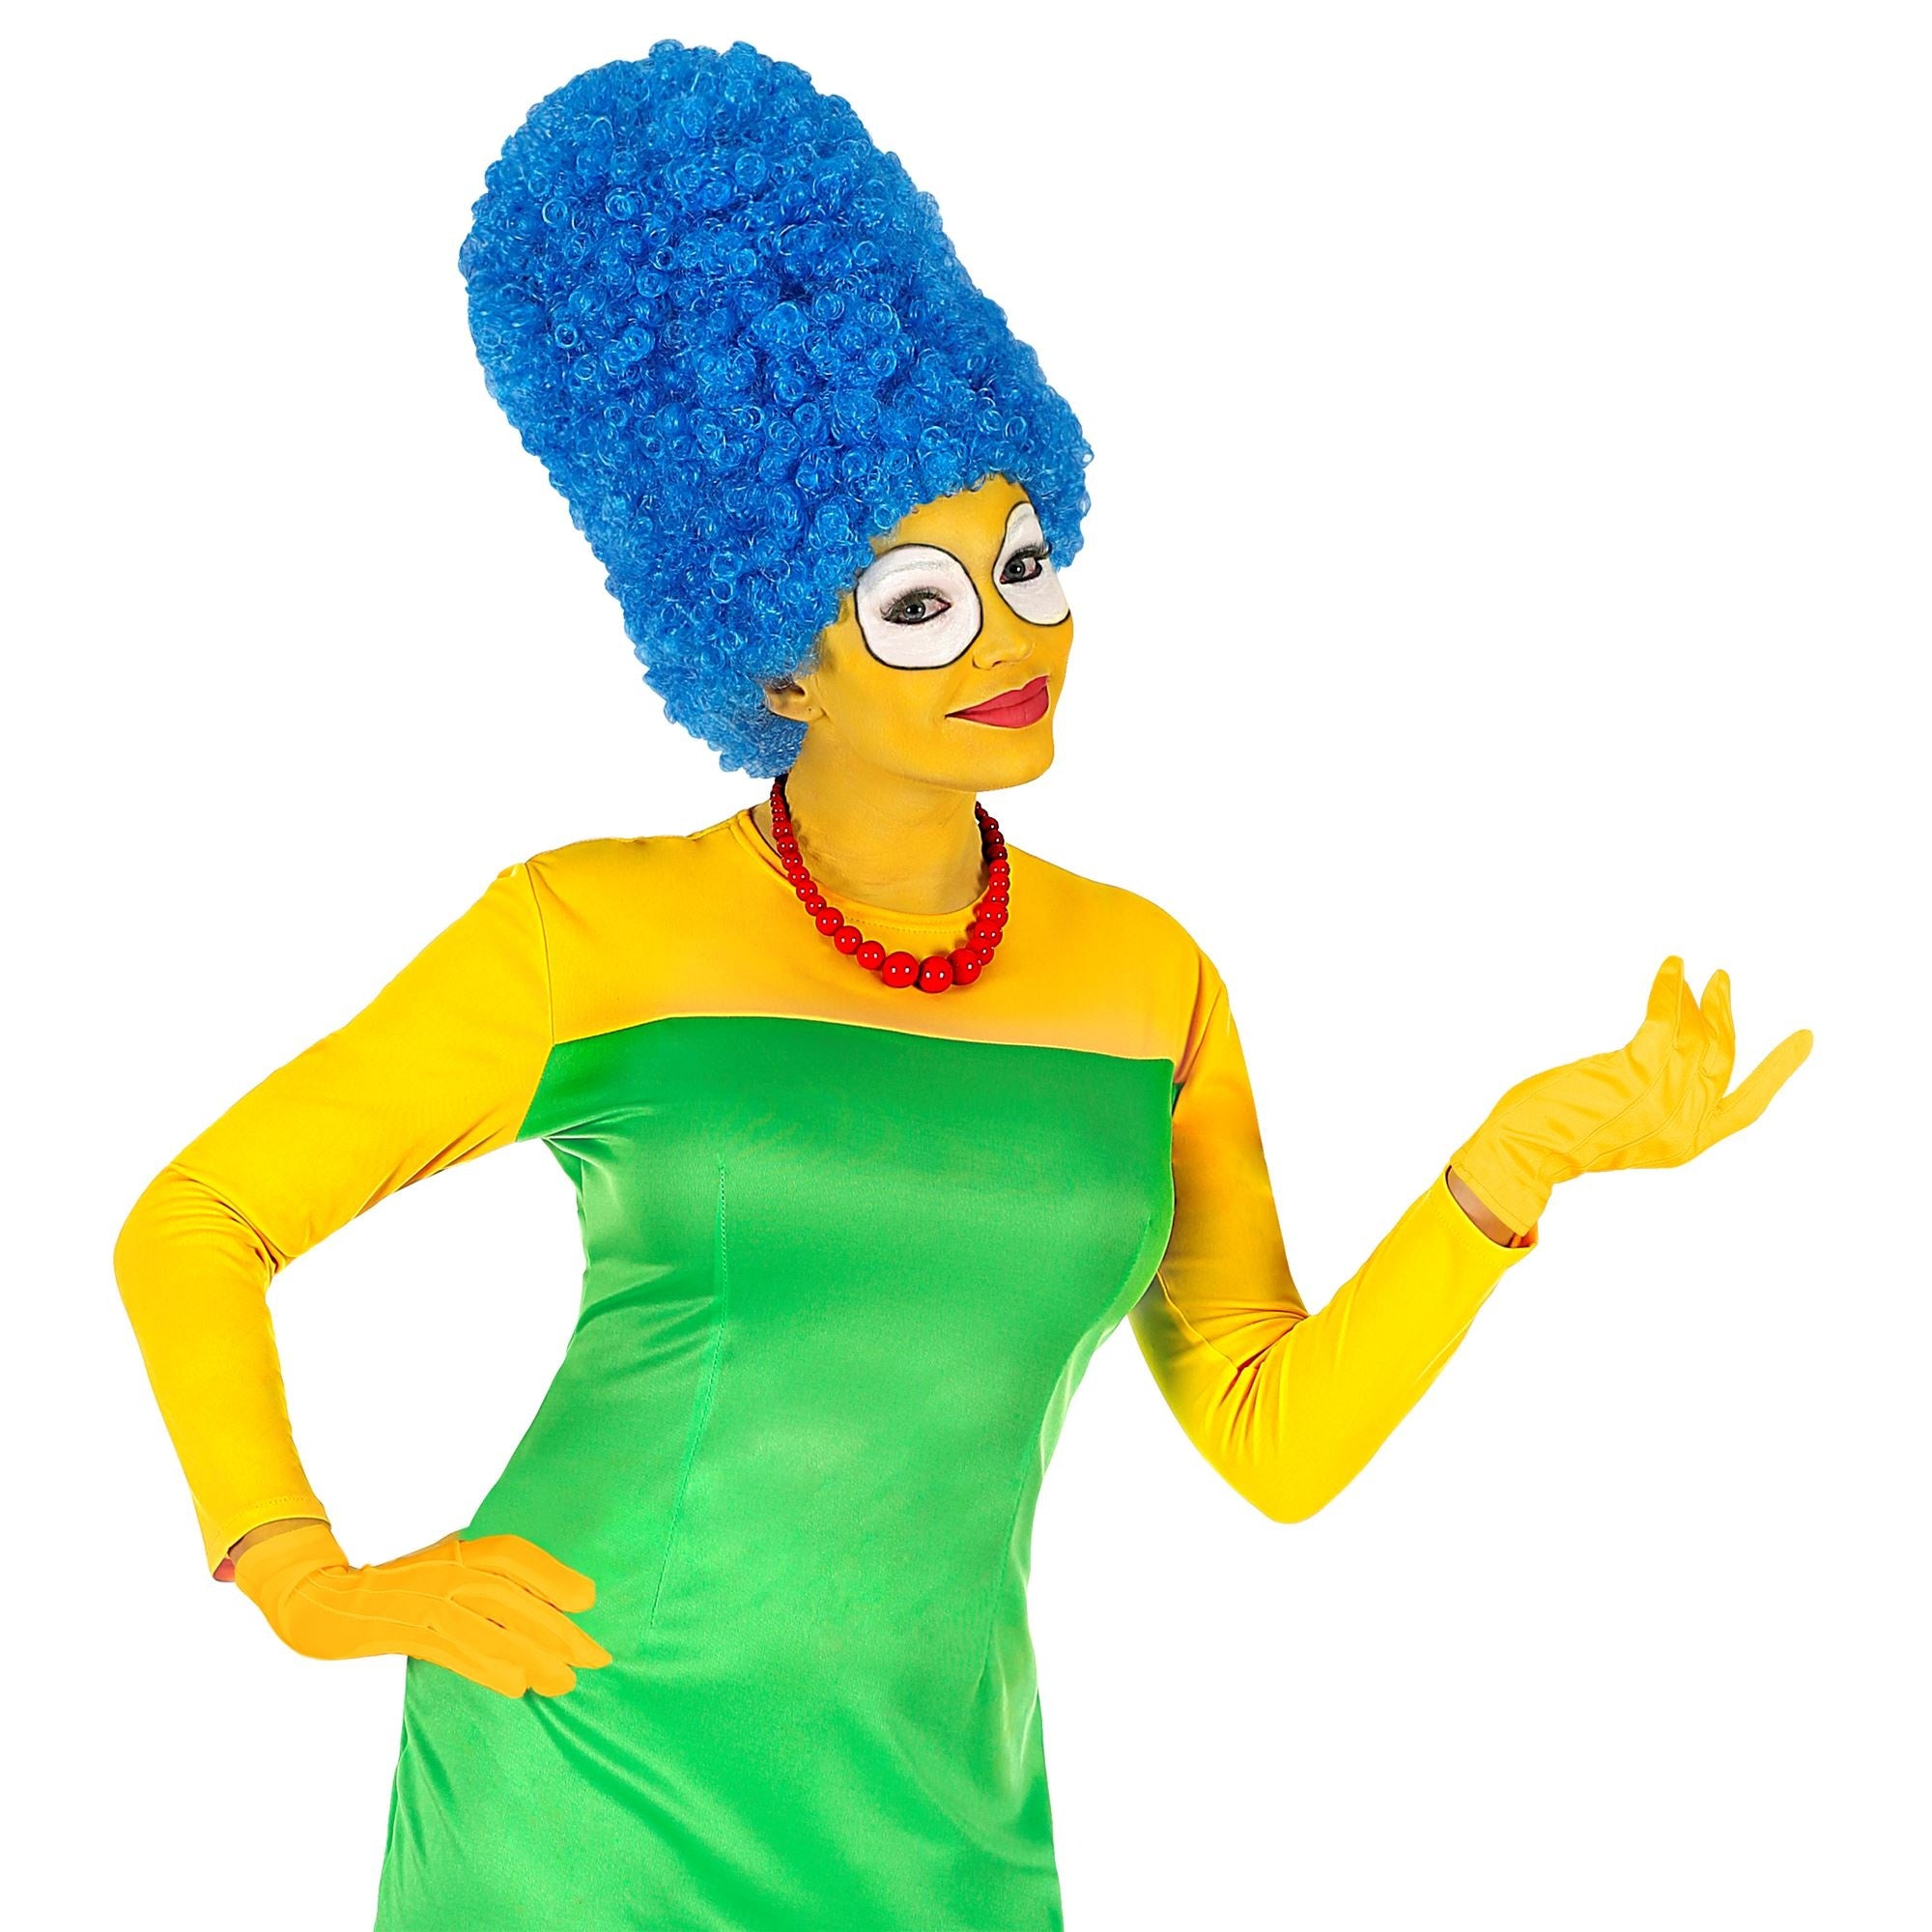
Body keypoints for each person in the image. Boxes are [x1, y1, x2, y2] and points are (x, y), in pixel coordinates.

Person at [112, 40, 1811, 1931]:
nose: (1014, 641)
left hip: (941, 1808)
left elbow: (1274, 1437)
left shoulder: (1146, 978)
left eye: (1023, 563)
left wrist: (1515, 1164)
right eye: (922, 604)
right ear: (772, 657)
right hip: (586, 1764)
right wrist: (301, 1571)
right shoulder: (584, 931)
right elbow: (196, 1223)